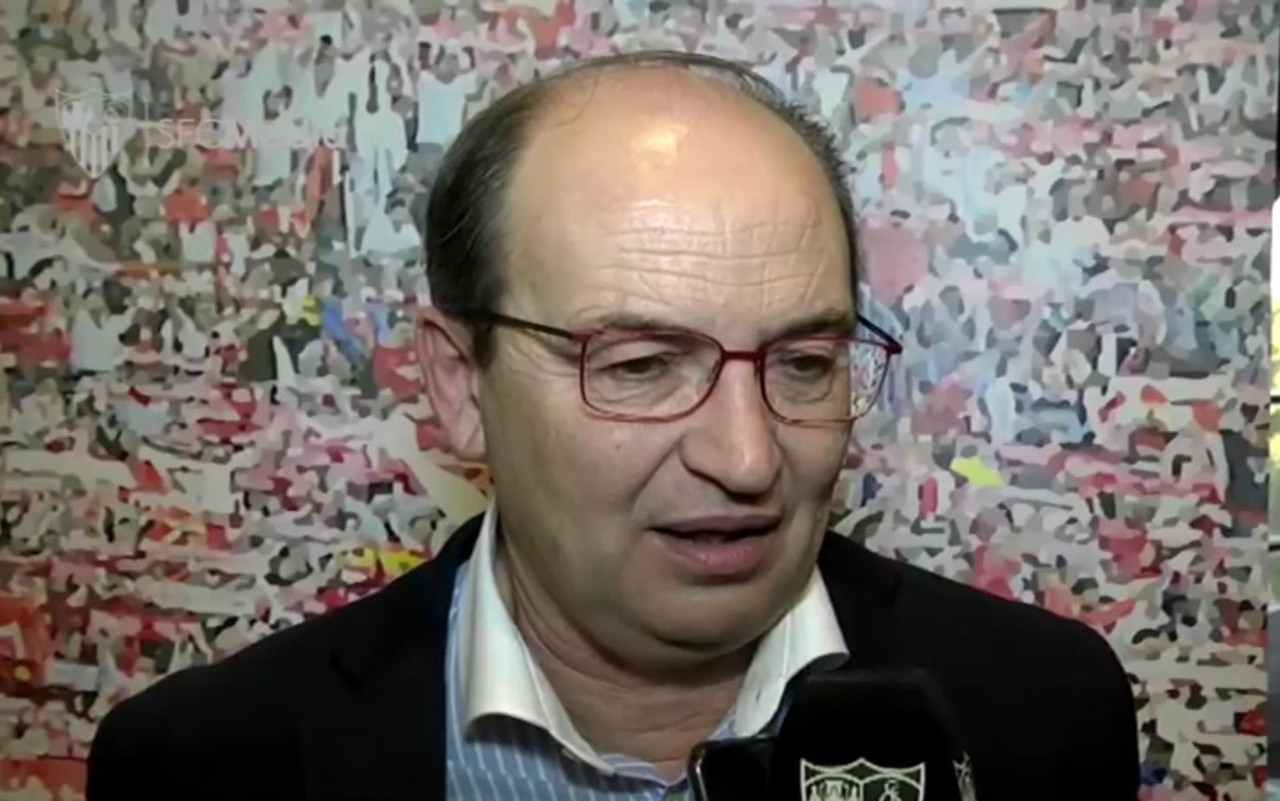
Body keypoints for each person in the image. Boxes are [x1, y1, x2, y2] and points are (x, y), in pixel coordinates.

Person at [87, 51, 1139, 801]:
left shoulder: (1040, 711)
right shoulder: (206, 764)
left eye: (804, 363)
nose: (746, 457)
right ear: (458, 385)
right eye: (637, 366)